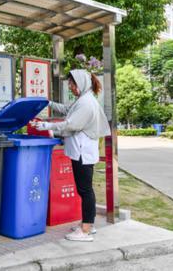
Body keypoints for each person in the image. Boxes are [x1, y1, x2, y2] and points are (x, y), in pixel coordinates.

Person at [35, 69, 110, 242]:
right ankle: (87, 224)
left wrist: (47, 126)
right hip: (81, 151)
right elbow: (67, 110)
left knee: (85, 190)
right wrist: (49, 103)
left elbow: (71, 124)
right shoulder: (83, 100)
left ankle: (86, 230)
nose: (70, 87)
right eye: (70, 83)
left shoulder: (86, 103)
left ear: (82, 83)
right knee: (84, 189)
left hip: (83, 152)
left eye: (72, 83)